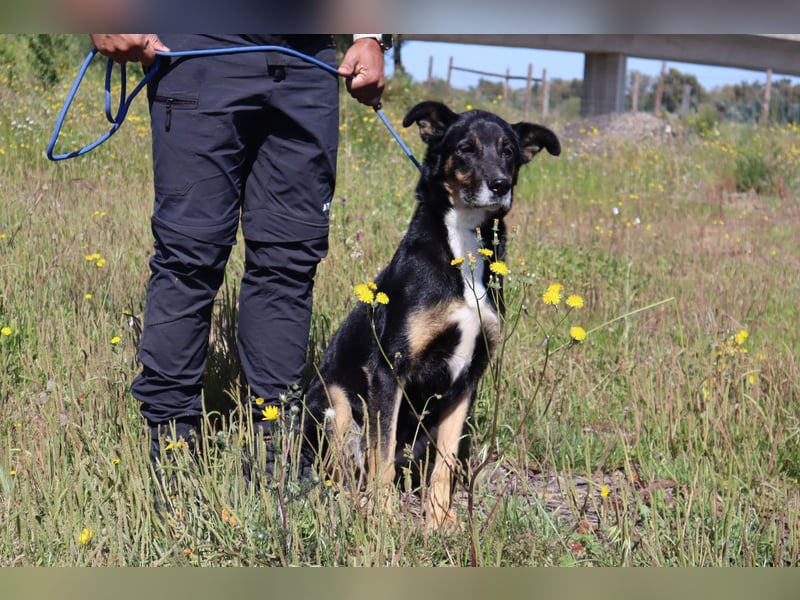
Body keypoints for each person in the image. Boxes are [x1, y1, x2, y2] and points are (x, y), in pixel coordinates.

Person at [90, 34, 387, 477]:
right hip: (201, 40)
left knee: (289, 261)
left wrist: (370, 34)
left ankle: (275, 453)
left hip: (308, 61)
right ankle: (171, 448)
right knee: (188, 258)